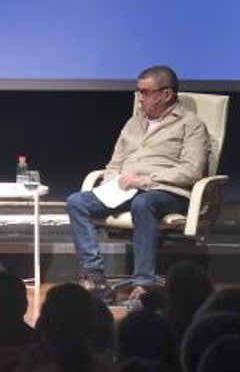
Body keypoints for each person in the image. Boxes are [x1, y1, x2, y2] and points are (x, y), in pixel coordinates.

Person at [65, 65, 210, 302]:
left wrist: (145, 180)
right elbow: (115, 163)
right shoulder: (133, 123)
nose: (139, 98)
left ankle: (143, 283)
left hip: (165, 192)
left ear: (166, 94)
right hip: (126, 190)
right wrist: (113, 183)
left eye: (144, 92)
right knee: (76, 202)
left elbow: (191, 171)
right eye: (137, 91)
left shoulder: (190, 124)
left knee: (144, 203)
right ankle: (95, 277)